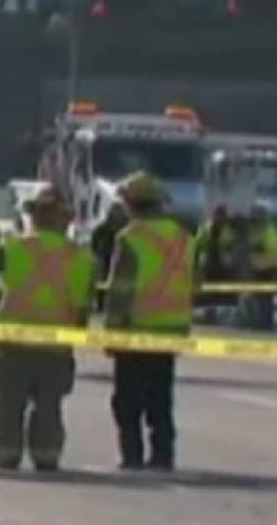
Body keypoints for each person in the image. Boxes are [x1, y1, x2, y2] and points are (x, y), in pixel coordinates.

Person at [0, 184, 95, 471]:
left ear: (33, 216)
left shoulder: (11, 247)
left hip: (12, 341)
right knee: (49, 406)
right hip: (55, 345)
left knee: (8, 404)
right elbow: (83, 306)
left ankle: (6, 454)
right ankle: (46, 456)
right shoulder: (81, 257)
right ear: (66, 219)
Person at [104, 171, 195, 471]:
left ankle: (131, 455)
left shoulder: (130, 238)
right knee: (160, 398)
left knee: (128, 400)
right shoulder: (182, 238)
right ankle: (163, 454)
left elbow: (121, 290)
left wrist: (112, 332)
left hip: (136, 329)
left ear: (131, 203)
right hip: (172, 330)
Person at [242, 204, 277, 330]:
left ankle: (266, 325)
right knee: (256, 298)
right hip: (256, 270)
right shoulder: (254, 230)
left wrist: (262, 259)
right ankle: (258, 323)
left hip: (267, 270)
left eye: (256, 215)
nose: (253, 218)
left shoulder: (268, 230)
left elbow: (274, 253)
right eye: (253, 215)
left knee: (265, 299)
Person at [90, 201, 128, 313]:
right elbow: (94, 243)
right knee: (101, 280)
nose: (116, 214)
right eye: (114, 211)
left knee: (120, 282)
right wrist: (97, 255)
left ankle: (119, 306)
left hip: (120, 258)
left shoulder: (127, 228)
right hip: (104, 256)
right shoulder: (101, 229)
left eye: (118, 211)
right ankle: (100, 304)